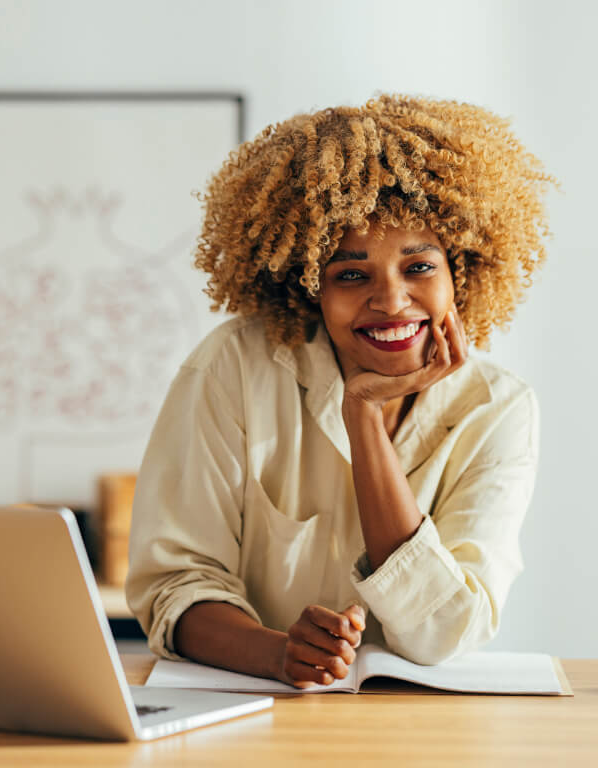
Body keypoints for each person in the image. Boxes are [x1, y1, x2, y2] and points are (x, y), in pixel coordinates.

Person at [125, 93, 555, 688]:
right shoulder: (234, 367)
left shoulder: (498, 410)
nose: (391, 300)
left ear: (462, 269)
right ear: (308, 289)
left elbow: (443, 633)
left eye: (419, 266)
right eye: (351, 274)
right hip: (251, 720)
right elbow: (174, 587)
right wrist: (278, 654)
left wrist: (363, 415)